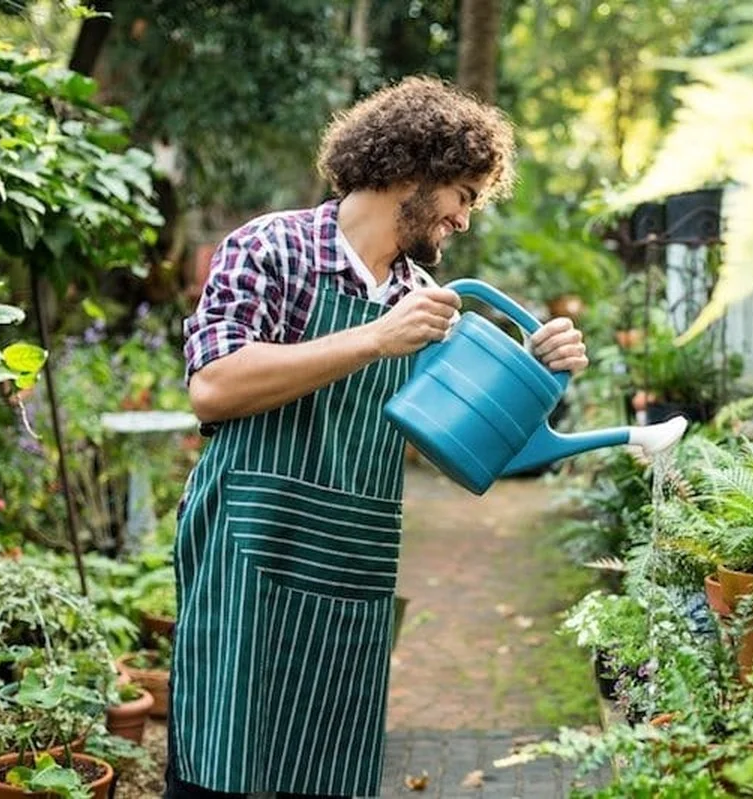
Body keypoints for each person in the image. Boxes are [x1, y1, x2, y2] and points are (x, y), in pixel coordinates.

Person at [167, 77, 589, 799]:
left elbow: (469, 455)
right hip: (250, 547)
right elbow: (214, 384)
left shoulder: (423, 304)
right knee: (218, 768)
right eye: (461, 192)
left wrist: (537, 376)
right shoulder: (272, 247)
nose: (463, 218)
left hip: (349, 562)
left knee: (324, 770)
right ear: (409, 171)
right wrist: (372, 339)